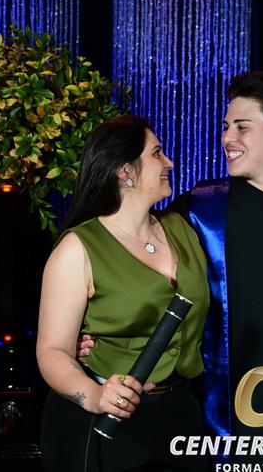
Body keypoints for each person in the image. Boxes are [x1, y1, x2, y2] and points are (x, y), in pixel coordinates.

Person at [80, 72, 263, 471]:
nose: (227, 137)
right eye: (226, 127)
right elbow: (132, 267)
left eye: (242, 127)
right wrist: (92, 328)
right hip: (225, 413)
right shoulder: (199, 210)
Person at [36, 115, 210, 472]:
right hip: (111, 424)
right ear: (124, 171)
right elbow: (52, 351)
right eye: (157, 153)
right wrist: (96, 396)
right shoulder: (78, 248)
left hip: (183, 415)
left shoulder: (182, 228)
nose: (169, 162)